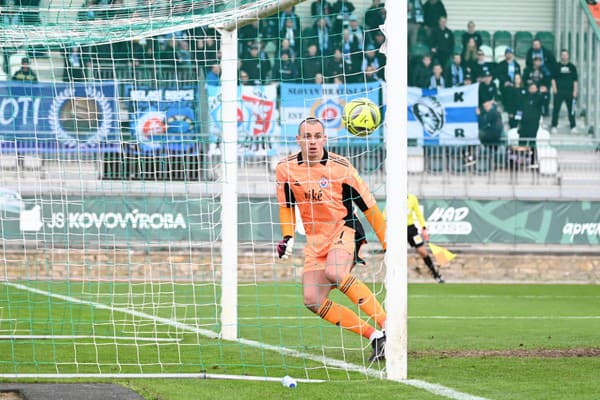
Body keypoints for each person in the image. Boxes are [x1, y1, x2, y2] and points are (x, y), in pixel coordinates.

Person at [275, 117, 387, 362]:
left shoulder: (341, 167)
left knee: (335, 271)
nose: (312, 141)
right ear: (298, 140)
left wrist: (388, 244)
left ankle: (389, 324)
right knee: (312, 300)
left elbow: (369, 208)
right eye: (307, 136)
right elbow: (286, 206)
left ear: (325, 139)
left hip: (344, 229)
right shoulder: (285, 168)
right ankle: (376, 337)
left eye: (317, 136)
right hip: (315, 240)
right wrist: (287, 235)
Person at [407, 193, 444, 283]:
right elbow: (385, 213)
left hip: (410, 229)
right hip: (396, 229)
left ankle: (435, 274)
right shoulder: (394, 197)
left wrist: (423, 228)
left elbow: (418, 214)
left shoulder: (412, 198)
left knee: (422, 251)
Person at [551, 49, 578, 134]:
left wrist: (575, 91)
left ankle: (573, 126)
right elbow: (553, 79)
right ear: (560, 56)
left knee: (572, 110)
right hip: (559, 92)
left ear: (568, 56)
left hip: (570, 92)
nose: (564, 56)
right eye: (563, 55)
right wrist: (554, 89)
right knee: (556, 109)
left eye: (566, 55)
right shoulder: (556, 66)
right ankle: (554, 125)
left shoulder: (572, 67)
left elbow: (575, 80)